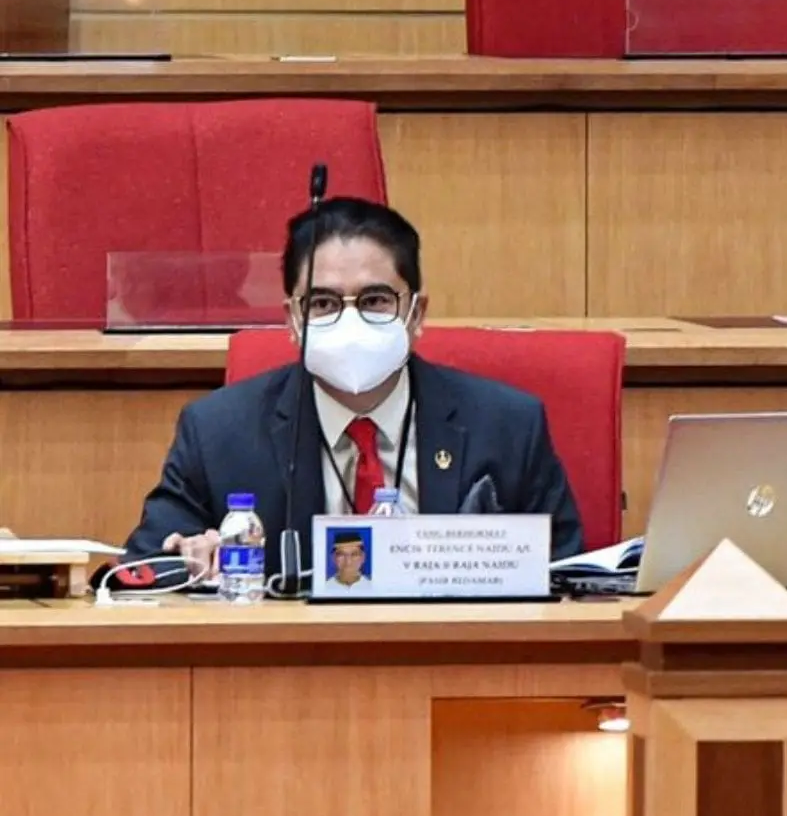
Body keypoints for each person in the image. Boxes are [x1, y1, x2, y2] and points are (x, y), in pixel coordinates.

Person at [125, 197, 586, 575]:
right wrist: (189, 556)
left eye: (375, 300)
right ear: (292, 320)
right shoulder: (218, 432)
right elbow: (142, 571)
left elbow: (566, 577)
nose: (350, 321)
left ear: (416, 314)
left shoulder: (508, 426)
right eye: (323, 303)